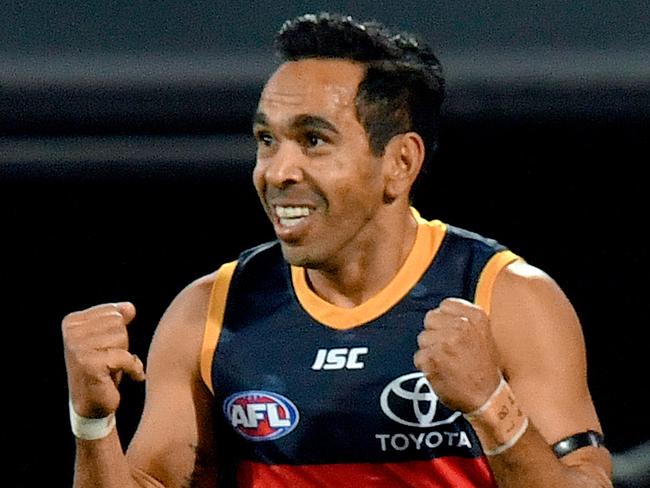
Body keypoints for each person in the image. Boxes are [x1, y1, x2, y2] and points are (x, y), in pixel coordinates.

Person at [62, 12, 613, 488]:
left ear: (400, 163)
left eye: (314, 140)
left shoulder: (508, 299)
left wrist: (492, 406)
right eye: (266, 140)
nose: (277, 172)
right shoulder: (208, 314)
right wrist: (93, 424)